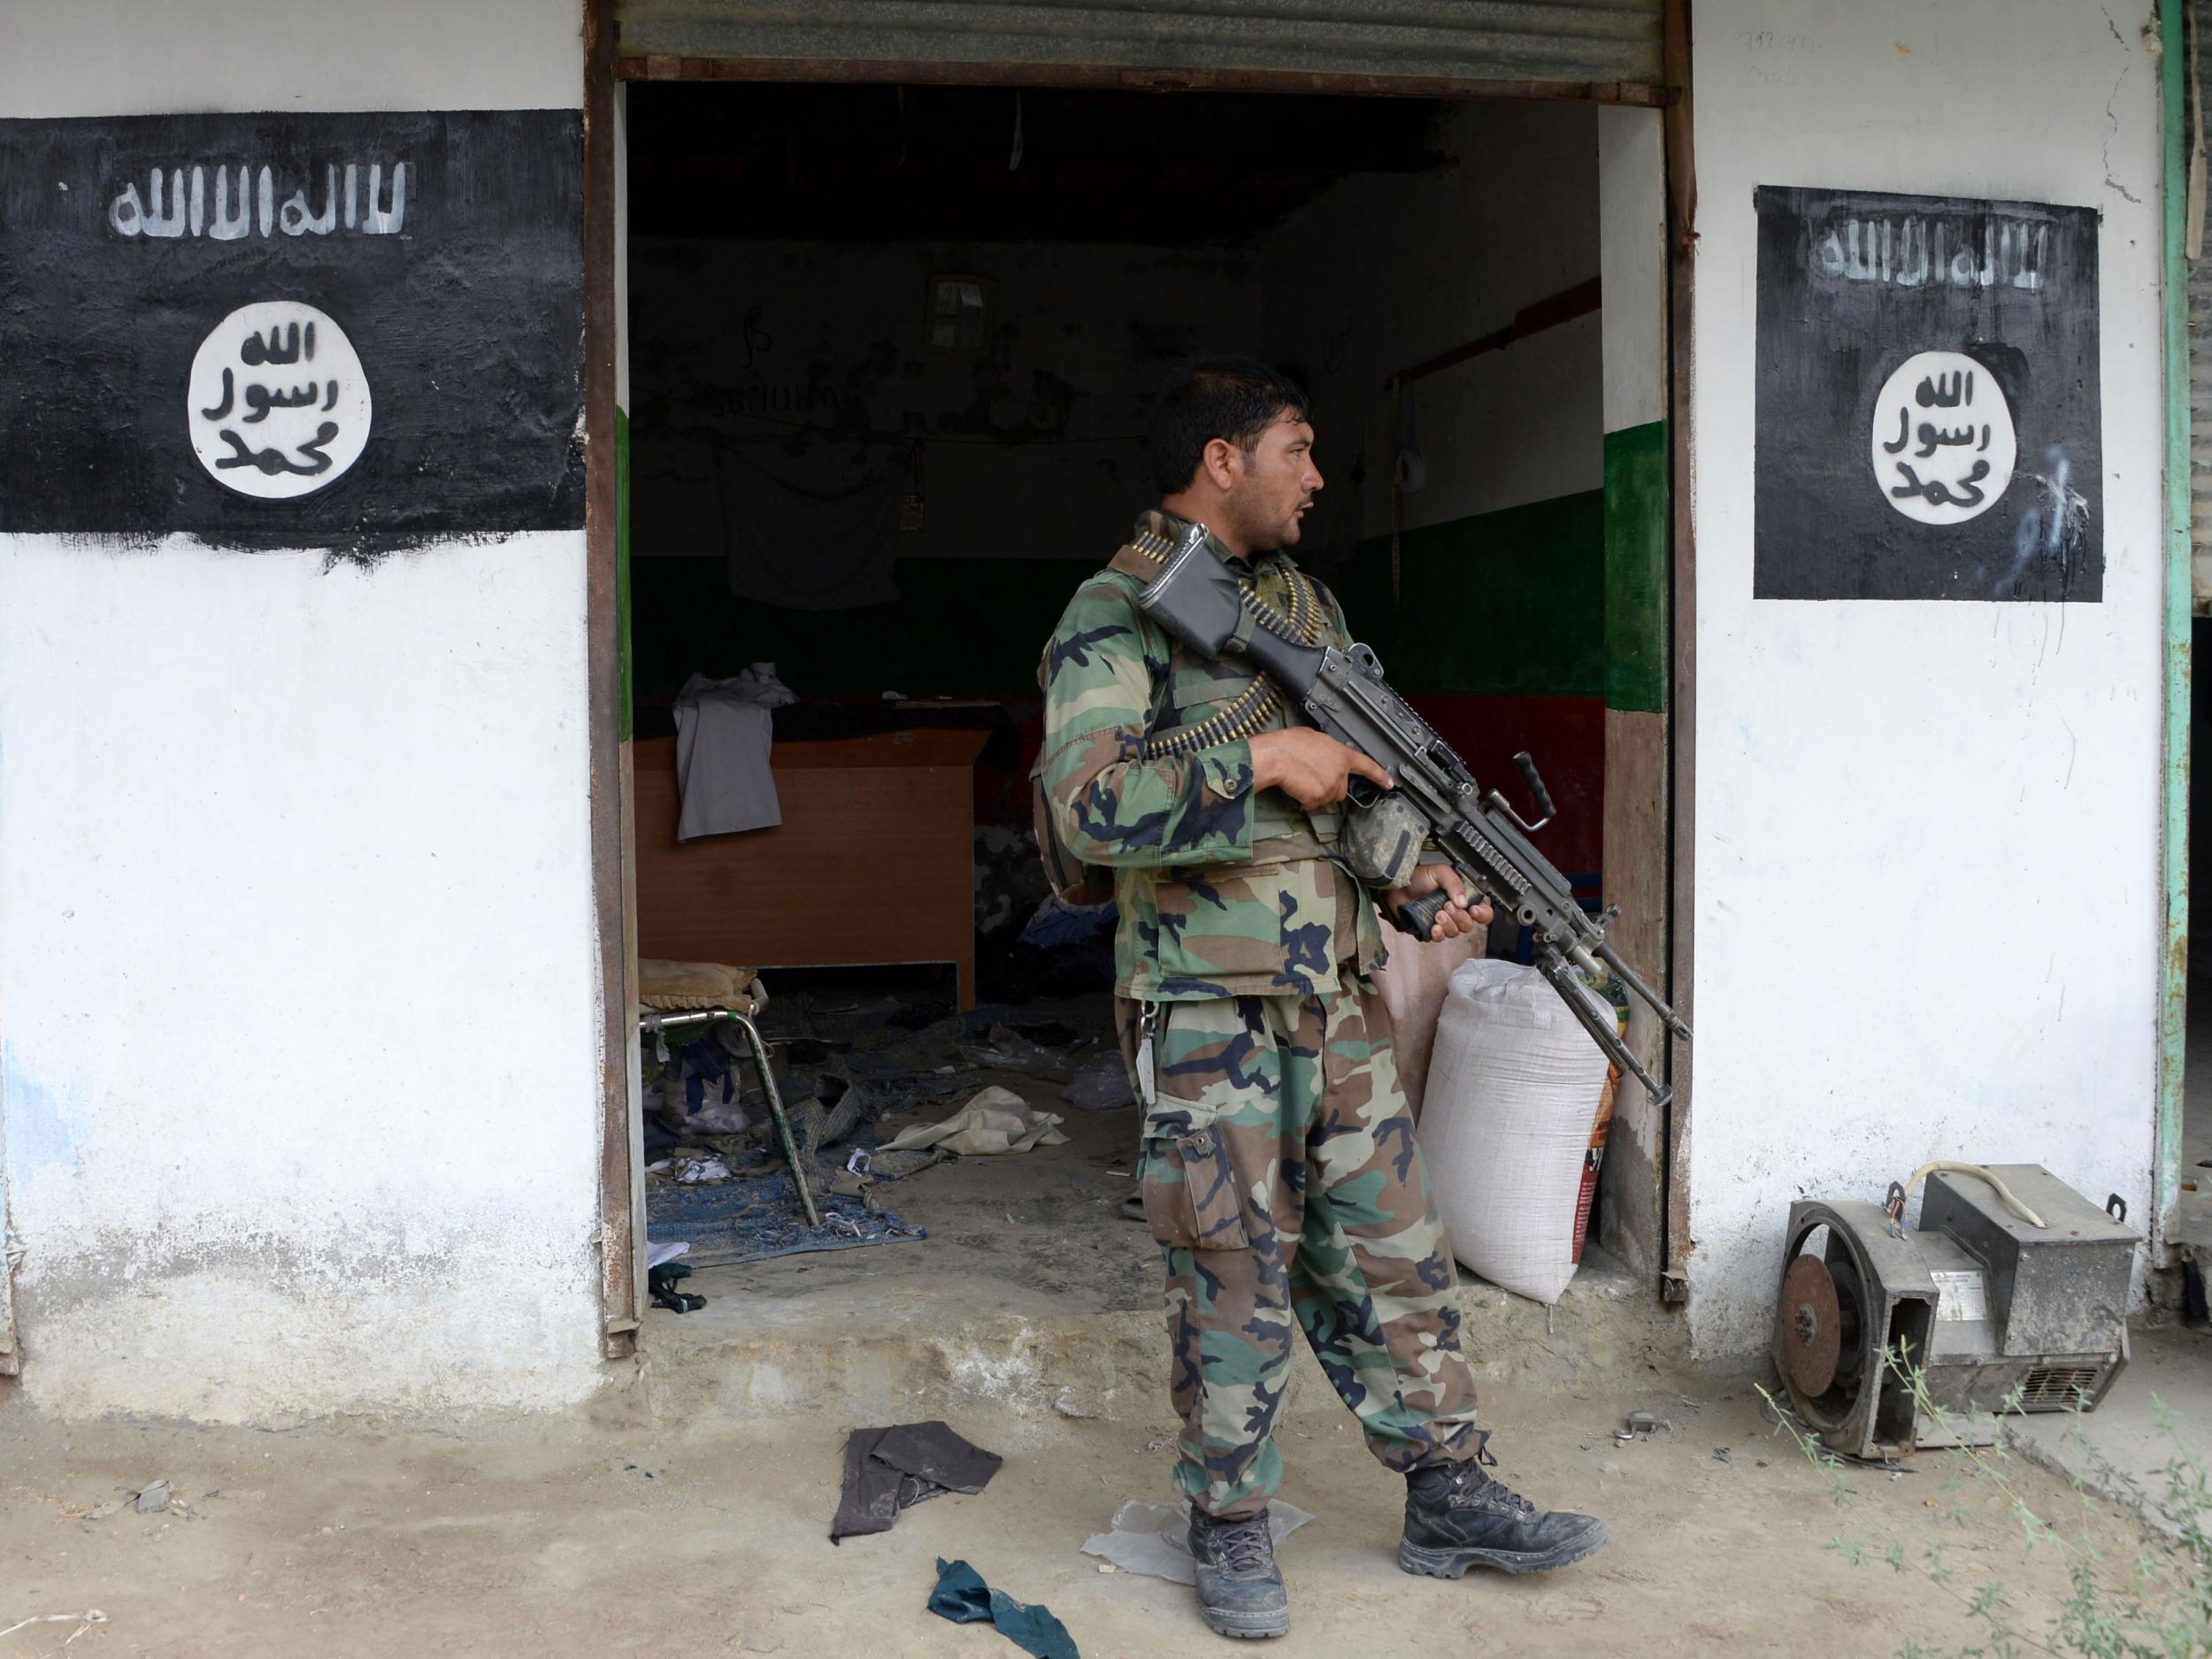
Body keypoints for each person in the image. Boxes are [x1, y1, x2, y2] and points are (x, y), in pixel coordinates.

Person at [1035, 357, 1606, 1640]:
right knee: (1234, 1269)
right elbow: (1090, 807)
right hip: (1203, 1007)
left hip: (1331, 997)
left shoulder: (1299, 604)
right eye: (1297, 446)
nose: (1319, 475)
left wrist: (1416, 884)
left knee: (1393, 1247)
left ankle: (1449, 1490)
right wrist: (1265, 756)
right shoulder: (1114, 614)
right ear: (1222, 458)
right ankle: (1229, 1525)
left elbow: (1355, 798)